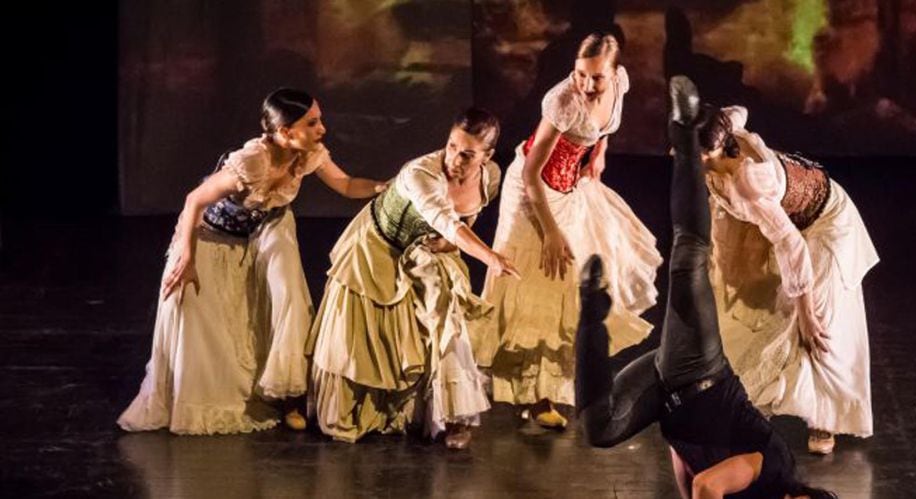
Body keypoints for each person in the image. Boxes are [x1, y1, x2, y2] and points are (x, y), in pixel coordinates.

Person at [572, 76, 836, 498]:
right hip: (697, 368)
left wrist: (680, 445)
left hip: (667, 398)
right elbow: (709, 486)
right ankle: (683, 127)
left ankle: (591, 312)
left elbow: (693, 471)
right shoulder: (776, 469)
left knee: (601, 429)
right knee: (688, 257)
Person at [119, 88, 385, 435]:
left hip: (267, 225)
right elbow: (193, 201)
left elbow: (347, 185)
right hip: (211, 233)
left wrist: (387, 186)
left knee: (288, 291)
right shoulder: (252, 161)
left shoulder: (310, 154)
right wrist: (186, 255)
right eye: (313, 123)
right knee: (195, 304)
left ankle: (290, 393)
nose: (322, 129)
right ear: (286, 132)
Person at [474, 32, 662, 429]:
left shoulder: (619, 82)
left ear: (613, 73)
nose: (588, 85)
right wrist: (551, 232)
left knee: (563, 286)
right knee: (528, 282)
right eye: (581, 74)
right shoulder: (562, 100)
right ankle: (530, 395)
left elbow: (607, 125)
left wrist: (598, 154)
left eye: (597, 78)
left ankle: (542, 392)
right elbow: (530, 172)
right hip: (532, 193)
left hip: (570, 186)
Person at [306, 108, 518, 449]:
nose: (455, 159)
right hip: (378, 248)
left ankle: (455, 418)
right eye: (451, 146)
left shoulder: (489, 176)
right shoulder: (421, 173)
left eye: (467, 154)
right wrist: (489, 256)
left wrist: (448, 246)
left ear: (487, 156)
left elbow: (467, 219)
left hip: (425, 250)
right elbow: (448, 220)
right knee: (369, 337)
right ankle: (368, 406)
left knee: (446, 317)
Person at [699, 97, 878, 454]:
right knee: (770, 308)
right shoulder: (726, 130)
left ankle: (826, 417)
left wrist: (807, 313)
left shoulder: (748, 183)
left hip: (828, 224)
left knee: (818, 322)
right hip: (796, 220)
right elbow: (739, 112)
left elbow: (792, 245)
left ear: (709, 151)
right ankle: (756, 398)